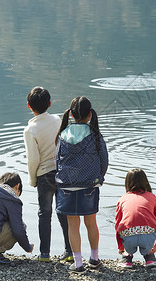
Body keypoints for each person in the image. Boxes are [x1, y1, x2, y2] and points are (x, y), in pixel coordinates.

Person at [55, 96, 109, 273]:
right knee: (91, 222)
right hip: (89, 186)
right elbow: (104, 161)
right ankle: (94, 259)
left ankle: (78, 263)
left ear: (71, 114)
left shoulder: (63, 134)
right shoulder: (95, 134)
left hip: (67, 186)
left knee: (73, 224)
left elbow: (57, 162)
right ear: (89, 115)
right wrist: (97, 178)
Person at [23, 86, 72, 262]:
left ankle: (44, 254)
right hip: (62, 172)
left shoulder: (30, 130)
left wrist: (32, 179)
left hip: (44, 175)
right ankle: (70, 251)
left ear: (29, 106)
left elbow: (32, 159)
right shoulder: (58, 120)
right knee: (63, 212)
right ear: (50, 104)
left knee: (45, 213)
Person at [115, 169, 156, 269]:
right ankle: (150, 257)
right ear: (145, 182)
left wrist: (120, 246)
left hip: (129, 238)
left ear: (127, 183)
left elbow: (118, 224)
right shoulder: (152, 197)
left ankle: (127, 257)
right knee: (149, 232)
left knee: (127, 228)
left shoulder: (123, 198)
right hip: (148, 237)